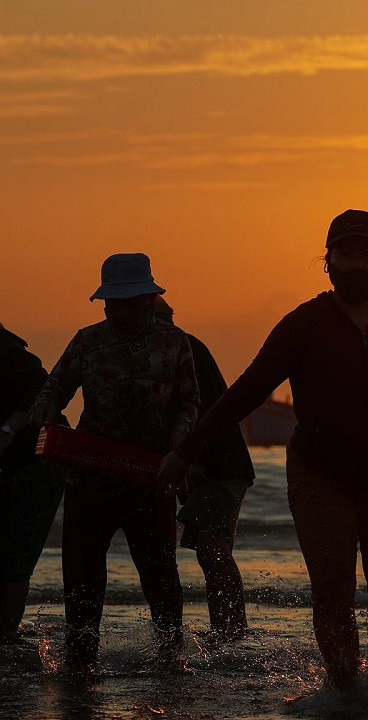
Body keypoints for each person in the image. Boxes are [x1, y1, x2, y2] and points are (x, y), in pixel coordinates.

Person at [158, 209, 368, 690]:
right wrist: (188, 449)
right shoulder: (304, 324)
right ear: (328, 261)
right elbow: (246, 391)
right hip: (321, 479)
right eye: (347, 254)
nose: (358, 265)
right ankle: (344, 690)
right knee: (332, 588)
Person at [28, 253, 199, 673]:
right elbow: (53, 390)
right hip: (90, 476)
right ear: (104, 304)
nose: (122, 311)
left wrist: (180, 444)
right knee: (83, 582)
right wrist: (46, 411)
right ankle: (80, 664)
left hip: (149, 475)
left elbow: (190, 401)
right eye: (113, 304)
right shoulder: (87, 342)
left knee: (161, 580)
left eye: (131, 302)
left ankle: (170, 663)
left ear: (149, 299)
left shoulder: (174, 344)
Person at [153, 297, 255, 641]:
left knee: (212, 550)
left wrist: (191, 463)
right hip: (202, 466)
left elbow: (197, 411)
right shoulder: (181, 348)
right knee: (210, 551)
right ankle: (224, 629)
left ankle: (234, 630)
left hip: (218, 467)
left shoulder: (182, 351)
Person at [0, 323, 67, 646]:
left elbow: (43, 384)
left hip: (40, 461)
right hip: (13, 465)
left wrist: (12, 425)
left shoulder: (6, 349)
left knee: (16, 558)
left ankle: (9, 635)